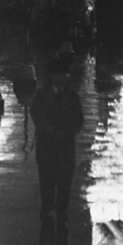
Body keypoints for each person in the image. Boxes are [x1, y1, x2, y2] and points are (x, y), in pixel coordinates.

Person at [32, 56, 83, 229]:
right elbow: (38, 117)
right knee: (46, 179)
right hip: (47, 145)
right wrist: (51, 131)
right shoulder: (41, 96)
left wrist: (68, 132)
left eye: (64, 75)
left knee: (65, 181)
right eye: (58, 75)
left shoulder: (72, 96)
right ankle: (47, 208)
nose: (62, 78)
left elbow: (79, 119)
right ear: (51, 77)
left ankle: (62, 211)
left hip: (66, 146)